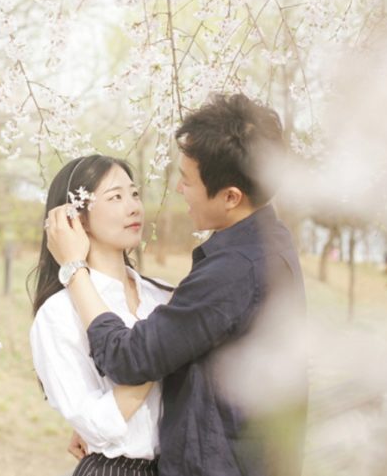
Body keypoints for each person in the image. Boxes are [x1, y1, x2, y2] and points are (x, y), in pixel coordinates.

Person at [45, 94, 307, 476]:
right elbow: (186, 355)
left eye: (187, 180)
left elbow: (130, 359)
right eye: (116, 197)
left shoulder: (233, 269)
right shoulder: (269, 243)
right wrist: (105, 429)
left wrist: (72, 268)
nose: (179, 190)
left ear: (231, 196)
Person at [29, 155, 173, 476]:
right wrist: (162, 352)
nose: (134, 207)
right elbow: (94, 423)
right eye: (115, 197)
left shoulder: (163, 294)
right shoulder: (58, 313)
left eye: (134, 194)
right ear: (75, 219)